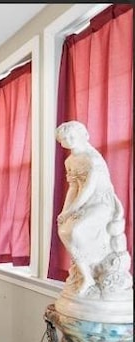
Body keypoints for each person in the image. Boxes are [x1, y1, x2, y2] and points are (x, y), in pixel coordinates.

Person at [55, 120, 131, 299]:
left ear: (84, 136)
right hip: (82, 203)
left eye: (72, 136)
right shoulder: (70, 161)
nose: (69, 140)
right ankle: (86, 275)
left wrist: (71, 211)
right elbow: (73, 187)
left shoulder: (92, 158)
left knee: (75, 230)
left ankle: (95, 267)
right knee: (63, 230)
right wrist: (64, 212)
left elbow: (89, 188)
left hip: (101, 202)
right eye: (65, 138)